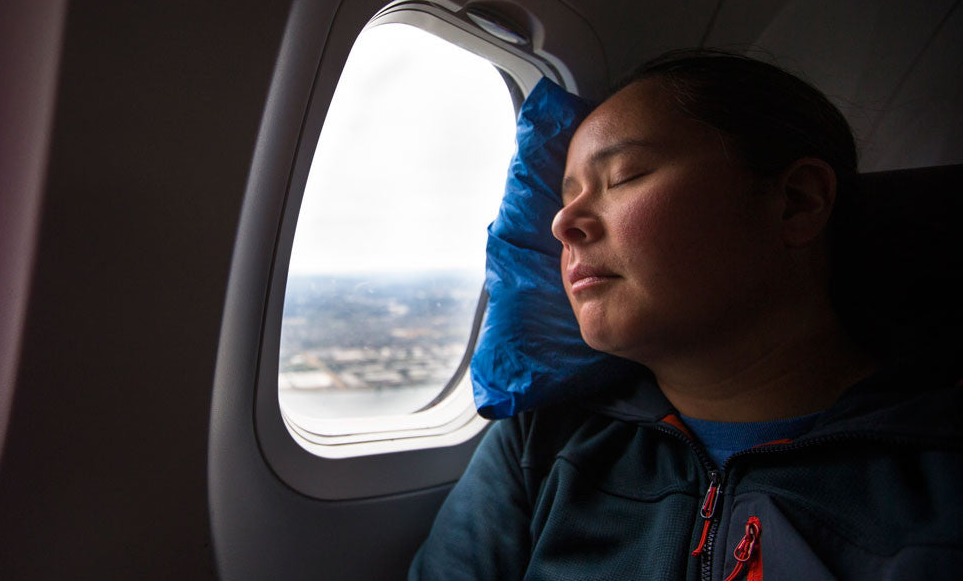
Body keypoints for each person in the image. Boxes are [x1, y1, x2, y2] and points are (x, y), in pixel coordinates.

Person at [409, 51, 963, 580]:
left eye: (624, 176)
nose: (563, 223)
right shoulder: (542, 446)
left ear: (796, 201)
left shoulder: (939, 474)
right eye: (566, 196)